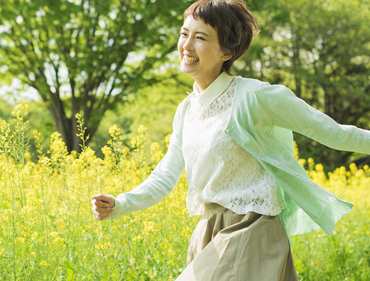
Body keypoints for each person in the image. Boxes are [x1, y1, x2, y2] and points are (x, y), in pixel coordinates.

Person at [91, 0, 370, 280]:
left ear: (227, 51)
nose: (186, 45)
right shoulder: (187, 110)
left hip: (252, 228)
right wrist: (122, 203)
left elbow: (333, 132)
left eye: (200, 38)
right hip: (208, 229)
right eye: (184, 33)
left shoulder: (255, 97)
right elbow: (166, 174)